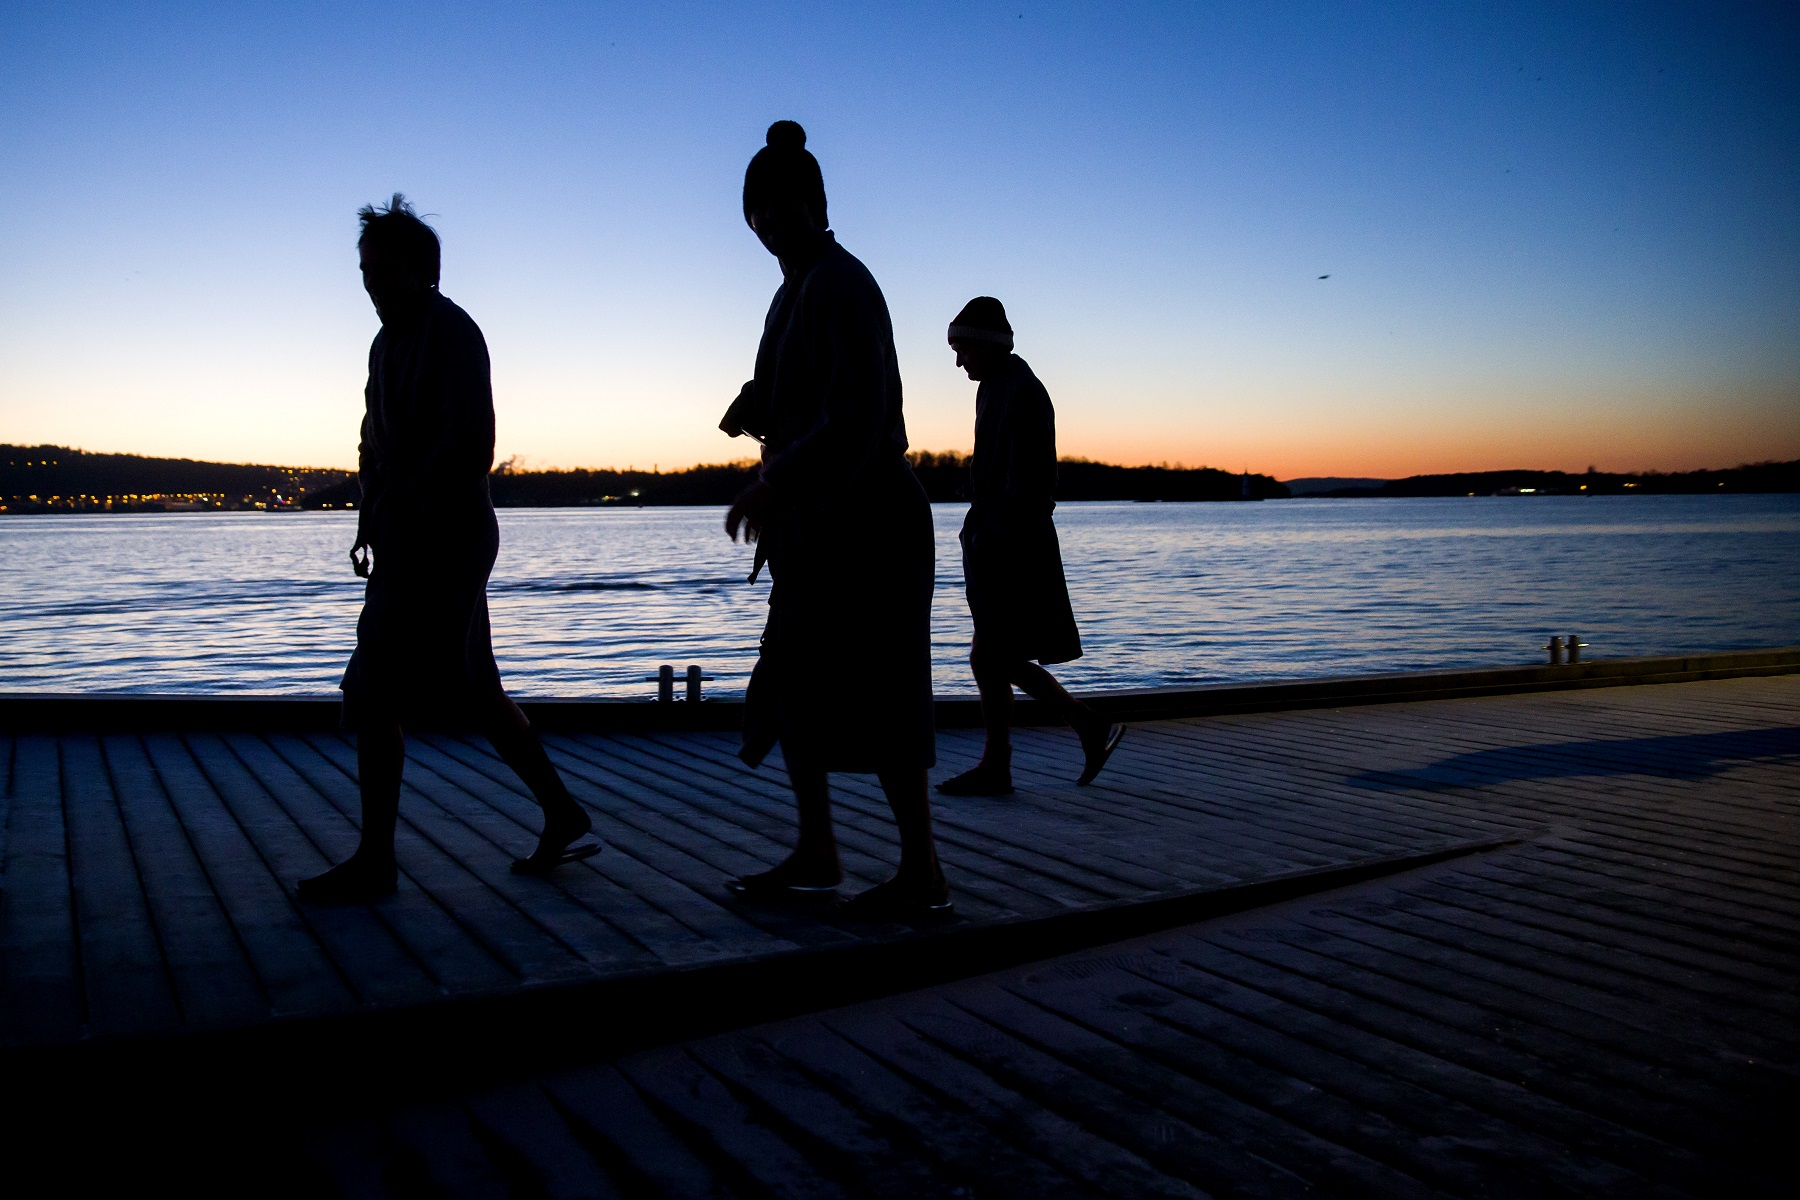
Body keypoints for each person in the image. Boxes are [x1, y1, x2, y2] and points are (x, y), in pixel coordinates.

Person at [297, 195, 597, 904]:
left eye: (383, 271)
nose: (370, 284)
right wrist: (371, 510)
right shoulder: (383, 343)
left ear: (421, 270)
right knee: (478, 691)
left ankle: (376, 861)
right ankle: (562, 812)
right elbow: (373, 436)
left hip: (448, 539)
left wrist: (402, 499)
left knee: (372, 693)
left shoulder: (453, 333)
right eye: (364, 271)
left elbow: (471, 444)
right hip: (406, 538)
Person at [721, 121, 948, 921]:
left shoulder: (841, 282)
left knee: (884, 692)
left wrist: (773, 480)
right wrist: (761, 407)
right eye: (760, 209)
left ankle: (922, 870)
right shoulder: (796, 289)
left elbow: (860, 413)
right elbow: (808, 391)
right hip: (820, 523)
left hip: (871, 519)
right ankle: (818, 851)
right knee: (795, 687)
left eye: (786, 204)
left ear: (818, 203)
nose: (772, 219)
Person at [936, 296, 1123, 796]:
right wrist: (974, 487)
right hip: (993, 541)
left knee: (991, 657)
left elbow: (1036, 480)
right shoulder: (994, 388)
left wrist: (999, 522)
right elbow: (997, 466)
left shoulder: (1024, 390)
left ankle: (1019, 755)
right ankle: (1069, 731)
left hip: (1013, 546)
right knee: (990, 656)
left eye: (962, 350)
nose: (958, 362)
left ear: (988, 345)